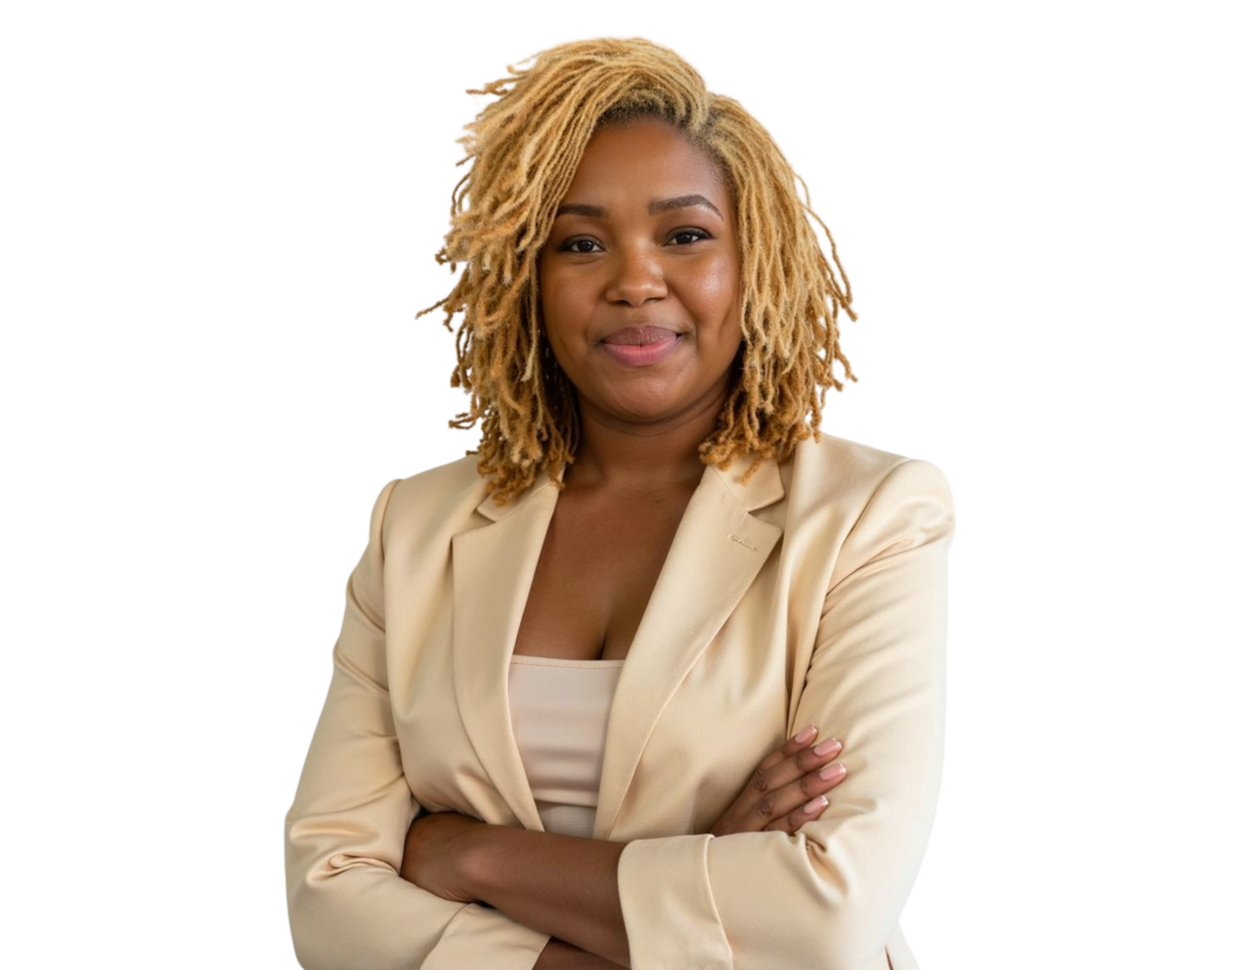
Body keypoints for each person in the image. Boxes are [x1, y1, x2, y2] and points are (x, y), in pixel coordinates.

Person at [281, 33, 956, 970]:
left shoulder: (873, 512)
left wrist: (468, 852)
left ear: (754, 261)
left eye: (685, 235)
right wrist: (698, 874)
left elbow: (829, 913)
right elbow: (325, 899)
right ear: (529, 278)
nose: (635, 282)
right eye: (582, 242)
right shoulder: (414, 525)